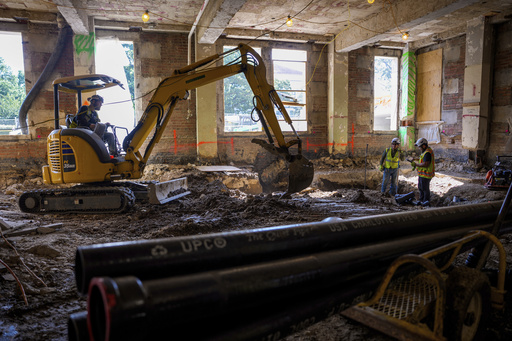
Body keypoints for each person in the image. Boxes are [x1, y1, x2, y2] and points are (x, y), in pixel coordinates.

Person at [411, 137, 435, 206]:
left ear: (424, 145)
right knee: (421, 188)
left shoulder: (427, 153)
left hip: (426, 174)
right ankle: (421, 200)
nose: (419, 148)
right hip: (423, 174)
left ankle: (425, 202)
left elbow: (426, 164)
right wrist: (416, 159)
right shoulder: (426, 151)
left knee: (425, 189)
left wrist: (416, 164)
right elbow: (423, 159)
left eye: (420, 147)